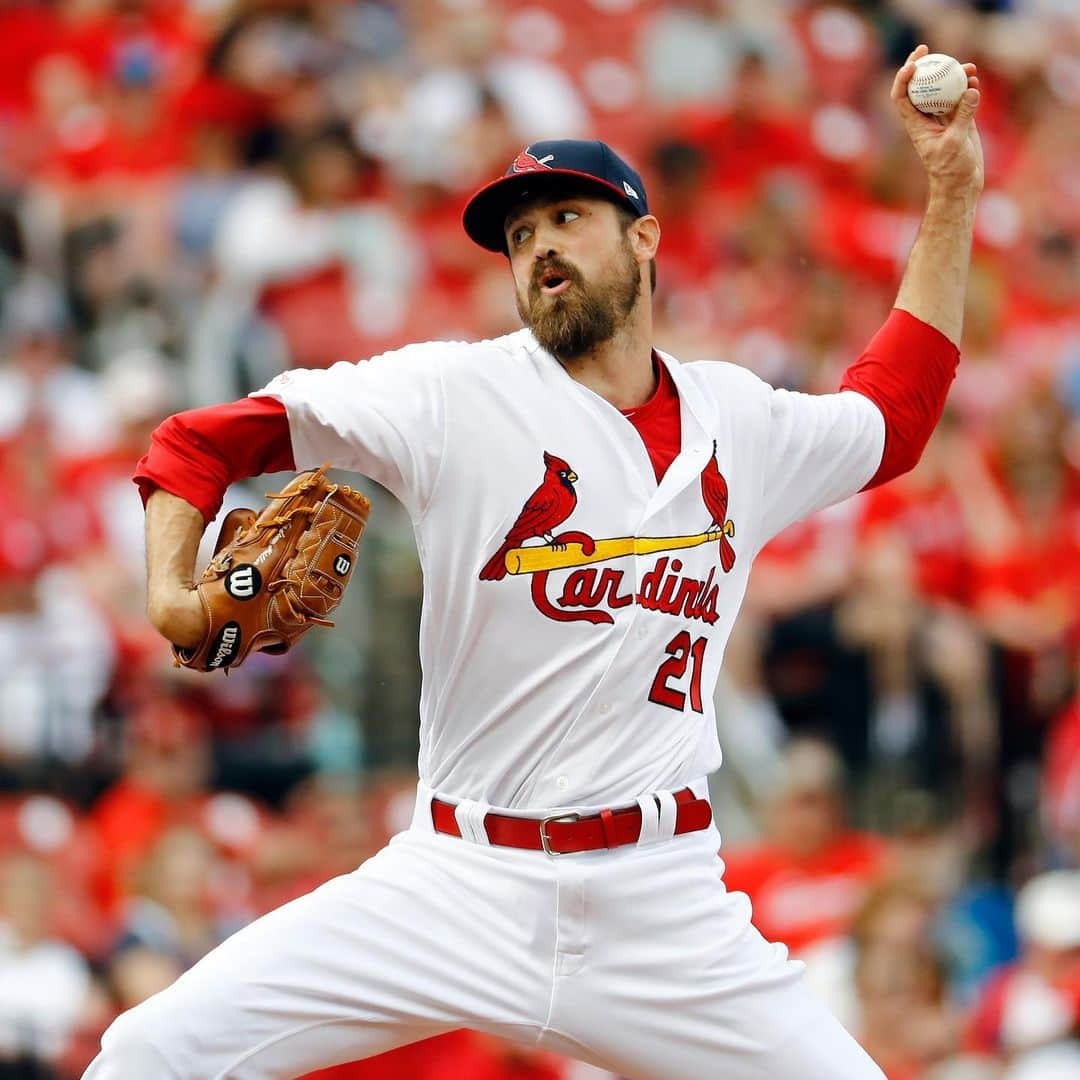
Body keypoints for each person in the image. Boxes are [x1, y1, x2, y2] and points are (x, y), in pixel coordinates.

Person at [84, 46, 984, 1080]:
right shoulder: (452, 395)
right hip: (456, 882)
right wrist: (171, 594)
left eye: (567, 219)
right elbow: (198, 443)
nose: (539, 249)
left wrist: (952, 188)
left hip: (663, 904)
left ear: (644, 239)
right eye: (519, 236)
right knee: (149, 1053)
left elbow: (896, 414)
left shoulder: (740, 418)